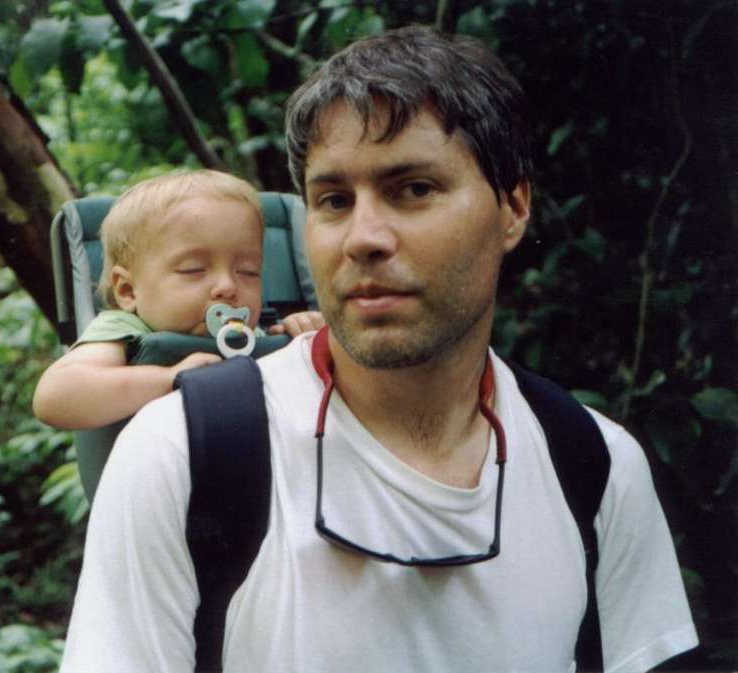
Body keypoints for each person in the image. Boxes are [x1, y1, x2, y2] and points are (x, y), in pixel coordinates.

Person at [58, 26, 698, 673]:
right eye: (333, 200)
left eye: (413, 188)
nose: (363, 237)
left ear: (512, 207)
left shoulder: (593, 465)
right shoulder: (182, 454)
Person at [33, 170, 323, 430]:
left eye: (248, 272)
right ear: (128, 292)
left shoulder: (253, 333)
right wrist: (169, 379)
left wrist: (298, 336)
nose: (227, 287)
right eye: (193, 270)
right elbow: (54, 397)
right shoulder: (124, 329)